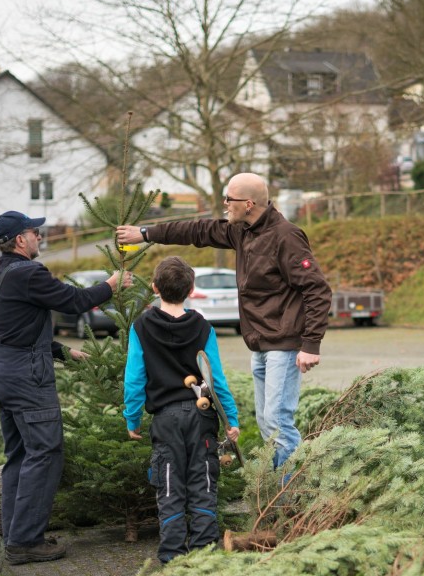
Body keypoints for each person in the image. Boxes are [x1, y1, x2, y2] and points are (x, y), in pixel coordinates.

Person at [116, 172, 330, 469]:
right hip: (261, 346)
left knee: (278, 423)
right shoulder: (241, 230)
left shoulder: (285, 236)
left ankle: (289, 498)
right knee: (267, 423)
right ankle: (277, 490)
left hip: (284, 344)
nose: (225, 203)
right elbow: (196, 231)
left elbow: (317, 288)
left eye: (229, 198)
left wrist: (311, 344)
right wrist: (146, 234)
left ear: (249, 203)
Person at [0, 210, 131, 565]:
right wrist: (110, 285)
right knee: (46, 452)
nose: (39, 237)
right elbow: (74, 301)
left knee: (19, 455)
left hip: (0, 372)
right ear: (20, 239)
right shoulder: (30, 272)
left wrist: (62, 351)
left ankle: (15, 535)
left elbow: (4, 329)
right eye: (35, 232)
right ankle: (26, 542)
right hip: (26, 378)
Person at [123, 256, 240, 563]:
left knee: (169, 484)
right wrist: (232, 420)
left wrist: (132, 418)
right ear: (191, 289)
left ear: (154, 288)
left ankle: (173, 557)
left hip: (165, 419)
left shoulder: (141, 326)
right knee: (202, 481)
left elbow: (134, 378)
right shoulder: (202, 326)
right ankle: (204, 553)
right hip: (201, 417)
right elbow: (217, 379)